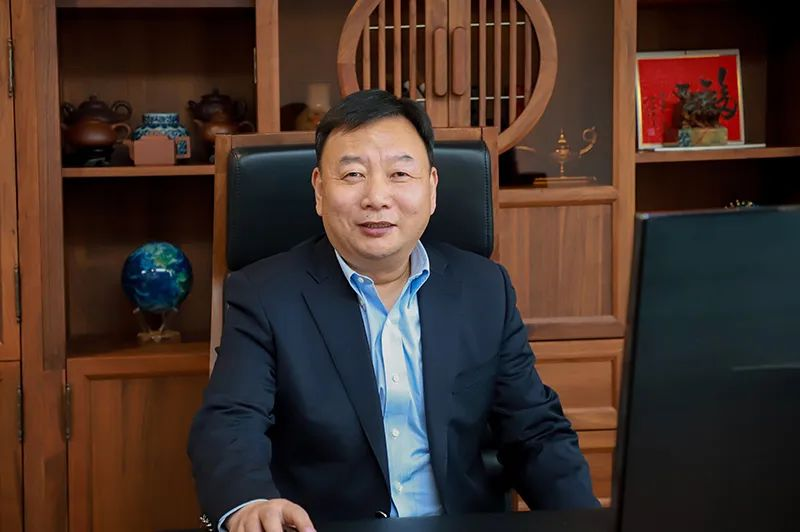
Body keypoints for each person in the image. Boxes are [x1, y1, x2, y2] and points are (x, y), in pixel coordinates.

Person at [187, 89, 599, 532]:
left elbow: (534, 432)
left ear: (432, 188)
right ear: (320, 190)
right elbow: (231, 422)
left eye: (400, 173)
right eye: (353, 175)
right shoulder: (264, 294)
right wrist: (249, 504)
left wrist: (590, 522)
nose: (377, 197)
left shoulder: (484, 289)